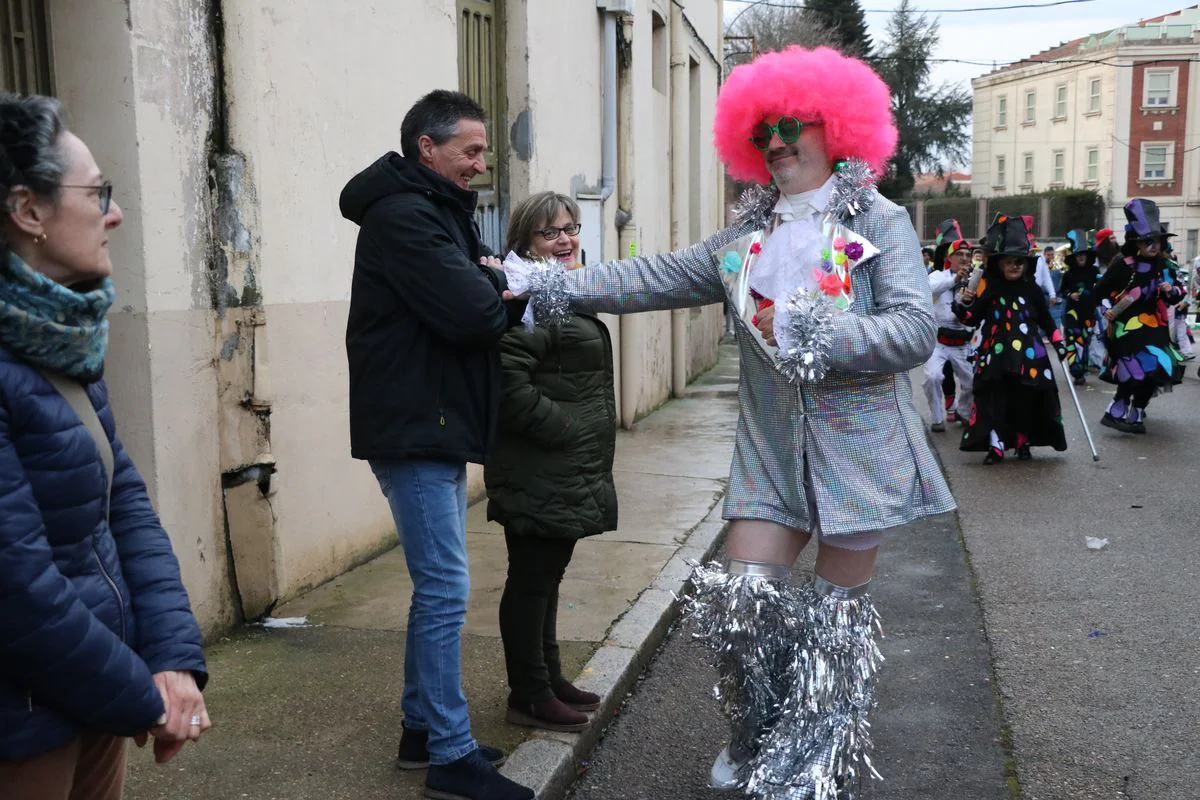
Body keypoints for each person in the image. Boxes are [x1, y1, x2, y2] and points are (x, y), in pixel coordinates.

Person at [518, 45, 954, 796]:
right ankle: (756, 734)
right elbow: (647, 276)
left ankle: (808, 760)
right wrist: (548, 283)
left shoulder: (881, 220)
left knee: (834, 625)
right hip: (769, 449)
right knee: (742, 603)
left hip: (857, 452)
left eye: (791, 125)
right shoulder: (743, 240)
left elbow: (915, 329)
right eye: (763, 132)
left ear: (835, 125)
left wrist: (829, 334)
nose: (777, 142)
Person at [0, 93, 210, 799]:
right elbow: (17, 589)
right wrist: (147, 699)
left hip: (97, 696)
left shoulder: (58, 336)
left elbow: (126, 510)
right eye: (98, 193)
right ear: (27, 212)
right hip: (23, 720)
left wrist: (172, 662)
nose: (114, 212)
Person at [340, 89, 533, 800]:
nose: (481, 164)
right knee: (446, 588)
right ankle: (450, 760)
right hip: (416, 423)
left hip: (433, 421)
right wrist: (497, 288)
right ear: (428, 147)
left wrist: (492, 284)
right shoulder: (404, 217)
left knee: (439, 587)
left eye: (483, 151)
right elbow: (474, 311)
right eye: (470, 151)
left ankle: (421, 728)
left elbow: (485, 291)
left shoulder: (437, 211)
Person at [485, 192, 616, 734]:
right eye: (550, 232)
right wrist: (562, 429)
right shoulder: (528, 296)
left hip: (560, 469)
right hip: (539, 466)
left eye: (571, 228)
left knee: (547, 577)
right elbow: (506, 380)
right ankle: (529, 693)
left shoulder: (555, 289)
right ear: (524, 242)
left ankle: (549, 679)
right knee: (532, 580)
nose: (565, 239)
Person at [954, 215, 1069, 464]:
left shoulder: (1033, 290)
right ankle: (995, 445)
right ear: (1000, 264)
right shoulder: (992, 288)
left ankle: (1022, 440)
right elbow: (972, 319)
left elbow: (1047, 321)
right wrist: (962, 306)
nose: (1015, 266)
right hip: (995, 357)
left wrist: (1059, 342)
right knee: (994, 400)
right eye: (1010, 262)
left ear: (1026, 265)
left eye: (1020, 262)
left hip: (1029, 357)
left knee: (1026, 399)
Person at [1089, 199, 1186, 434]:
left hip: (1155, 327)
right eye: (1147, 241)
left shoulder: (1165, 266)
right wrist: (1106, 311)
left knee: (1159, 369)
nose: (1154, 246)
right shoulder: (1122, 265)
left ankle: (1136, 412)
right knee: (1140, 368)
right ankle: (1116, 411)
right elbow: (1098, 293)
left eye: (1158, 241)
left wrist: (1170, 291)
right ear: (1137, 243)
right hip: (1125, 328)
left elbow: (1179, 295)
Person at [924, 237, 975, 432]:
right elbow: (927, 290)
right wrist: (954, 280)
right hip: (938, 342)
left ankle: (963, 411)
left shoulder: (975, 279)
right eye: (959, 254)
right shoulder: (937, 276)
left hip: (962, 341)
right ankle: (937, 418)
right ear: (949, 257)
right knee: (933, 377)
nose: (964, 258)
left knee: (972, 382)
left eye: (967, 255)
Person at [1060, 229, 1101, 385]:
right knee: (1072, 341)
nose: (1081, 257)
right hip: (1072, 314)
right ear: (1074, 257)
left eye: (1083, 254)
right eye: (1078, 255)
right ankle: (1075, 371)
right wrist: (1070, 294)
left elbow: (1102, 287)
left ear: (1087, 256)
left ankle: (1082, 370)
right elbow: (1062, 291)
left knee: (1084, 342)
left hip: (1089, 314)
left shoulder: (1094, 271)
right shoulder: (1068, 274)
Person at [1034, 243, 1060, 307]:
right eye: (1048, 255)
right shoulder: (1040, 259)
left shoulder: (1042, 260)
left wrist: (1052, 295)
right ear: (1044, 254)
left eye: (1052, 254)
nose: (1051, 257)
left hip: (1038, 294)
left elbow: (1047, 278)